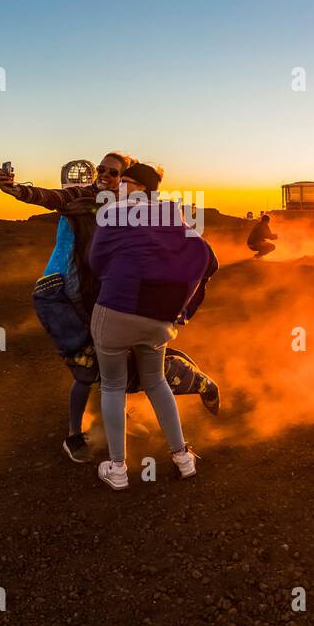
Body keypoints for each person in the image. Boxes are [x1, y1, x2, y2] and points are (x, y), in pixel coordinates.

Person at [0, 155, 221, 465]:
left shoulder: (126, 211)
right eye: (100, 169)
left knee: (116, 367)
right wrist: (15, 190)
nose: (102, 175)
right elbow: (52, 197)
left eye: (114, 173)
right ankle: (75, 435)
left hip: (96, 294)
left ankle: (111, 425)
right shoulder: (85, 197)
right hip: (59, 293)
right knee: (89, 370)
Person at [88, 162, 218, 490]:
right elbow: (209, 259)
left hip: (116, 311)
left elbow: (96, 262)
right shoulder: (173, 217)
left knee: (113, 386)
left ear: (141, 187)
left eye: (125, 181)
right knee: (156, 382)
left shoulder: (114, 214)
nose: (117, 186)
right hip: (159, 318)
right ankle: (183, 458)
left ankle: (118, 469)